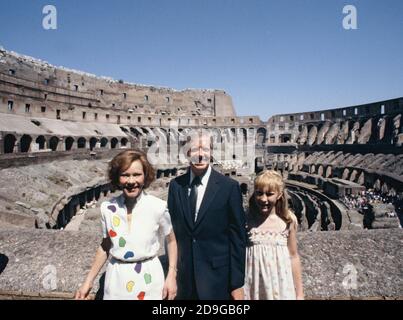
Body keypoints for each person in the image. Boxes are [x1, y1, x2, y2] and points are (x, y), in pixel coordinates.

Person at [75, 150, 177, 300]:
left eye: (136, 174)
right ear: (117, 177)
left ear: (145, 176)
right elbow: (105, 246)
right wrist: (88, 281)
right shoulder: (107, 208)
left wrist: (171, 275)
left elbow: (172, 241)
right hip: (117, 279)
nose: (131, 181)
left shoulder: (158, 207)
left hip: (149, 278)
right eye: (125, 175)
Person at [167, 131, 246, 300]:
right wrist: (171, 273)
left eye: (206, 149)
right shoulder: (175, 186)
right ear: (187, 153)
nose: (201, 155)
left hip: (218, 280)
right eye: (195, 149)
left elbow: (238, 238)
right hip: (184, 281)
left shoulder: (229, 187)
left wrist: (237, 283)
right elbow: (171, 233)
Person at [244, 170, 304, 300]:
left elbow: (293, 257)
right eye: (259, 193)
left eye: (269, 194)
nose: (263, 199)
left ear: (279, 195)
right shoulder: (246, 220)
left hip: (281, 286)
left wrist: (299, 294)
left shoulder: (288, 221)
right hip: (253, 285)